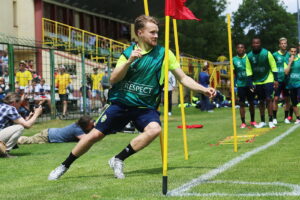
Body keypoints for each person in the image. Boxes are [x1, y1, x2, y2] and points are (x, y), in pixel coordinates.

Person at [48, 15, 216, 180]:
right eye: (152, 32)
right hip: (121, 103)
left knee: (155, 130)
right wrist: (129, 61)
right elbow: (114, 79)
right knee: (94, 136)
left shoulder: (165, 54)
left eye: (157, 32)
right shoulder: (128, 53)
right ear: (140, 33)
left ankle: (118, 159)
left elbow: (183, 78)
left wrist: (204, 89)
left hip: (145, 107)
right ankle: (64, 165)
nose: (156, 35)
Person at [247, 37, 278, 128]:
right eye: (254, 43)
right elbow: (248, 70)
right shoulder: (249, 56)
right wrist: (250, 82)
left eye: (257, 43)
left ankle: (271, 120)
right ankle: (263, 121)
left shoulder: (267, 53)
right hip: (257, 81)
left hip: (268, 78)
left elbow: (273, 66)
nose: (256, 45)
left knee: (269, 99)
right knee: (261, 101)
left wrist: (276, 79)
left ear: (260, 44)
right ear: (252, 44)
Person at [0, 92, 42, 157]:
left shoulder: (2, 106)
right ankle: (4, 152)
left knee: (18, 127)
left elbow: (13, 126)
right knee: (20, 128)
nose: (20, 106)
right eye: (19, 103)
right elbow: (27, 125)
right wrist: (36, 114)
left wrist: (28, 119)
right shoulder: (11, 108)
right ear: (14, 102)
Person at [18, 116, 94, 144]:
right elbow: (87, 139)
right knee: (29, 140)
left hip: (50, 132)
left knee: (32, 138)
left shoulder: (78, 125)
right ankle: (15, 140)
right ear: (85, 125)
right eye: (91, 125)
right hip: (48, 136)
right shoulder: (77, 130)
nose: (93, 126)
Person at [233, 43, 256, 128]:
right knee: (241, 104)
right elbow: (233, 72)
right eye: (238, 47)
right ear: (236, 49)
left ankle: (253, 120)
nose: (240, 49)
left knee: (251, 102)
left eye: (242, 47)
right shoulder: (234, 59)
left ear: (244, 49)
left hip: (249, 84)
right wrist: (233, 84)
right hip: (240, 85)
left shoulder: (249, 57)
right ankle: (243, 122)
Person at [272, 37, 291, 124]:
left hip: (287, 80)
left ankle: (286, 117)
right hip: (278, 80)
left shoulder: (289, 54)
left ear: (287, 44)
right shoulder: (275, 55)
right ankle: (274, 118)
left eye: (285, 43)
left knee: (287, 99)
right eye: (282, 43)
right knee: (275, 99)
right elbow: (272, 67)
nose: (283, 45)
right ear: (279, 45)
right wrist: (274, 79)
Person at [284, 46, 300, 124]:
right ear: (289, 52)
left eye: (294, 51)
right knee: (294, 102)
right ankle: (298, 118)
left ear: (296, 52)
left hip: (299, 83)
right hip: (291, 84)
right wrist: (290, 62)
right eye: (292, 51)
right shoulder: (286, 61)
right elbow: (286, 72)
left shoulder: (299, 60)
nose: (293, 53)